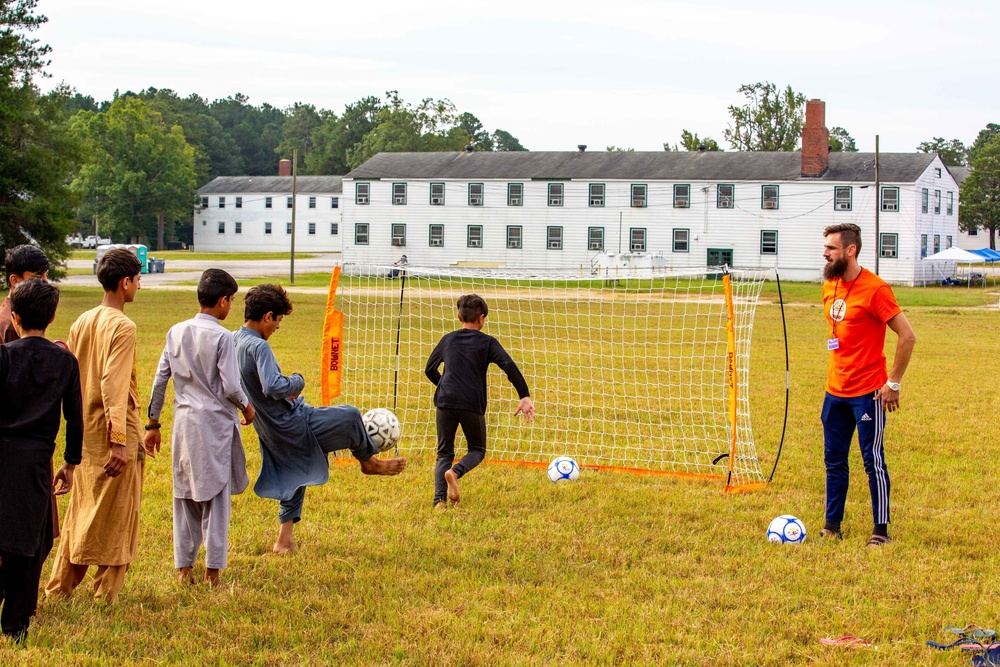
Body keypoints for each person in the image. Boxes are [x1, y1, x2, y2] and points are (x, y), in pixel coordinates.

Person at [233, 284, 406, 554]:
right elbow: (273, 387)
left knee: (295, 474)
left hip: (270, 431)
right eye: (278, 320)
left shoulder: (234, 341)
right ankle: (369, 462)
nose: (278, 327)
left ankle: (284, 541)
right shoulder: (259, 346)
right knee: (349, 415)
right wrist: (297, 382)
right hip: (294, 423)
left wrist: (245, 407)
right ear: (267, 316)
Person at [45, 249, 146, 603]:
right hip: (113, 431)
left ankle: (59, 587)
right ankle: (106, 593)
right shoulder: (123, 326)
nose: (139, 285)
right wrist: (119, 440)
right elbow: (113, 385)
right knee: (120, 513)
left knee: (83, 509)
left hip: (86, 430)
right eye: (137, 279)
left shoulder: (82, 321)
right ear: (125, 282)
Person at [144, 269, 256, 587]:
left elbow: (160, 379)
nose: (230, 306)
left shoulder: (175, 332)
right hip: (215, 426)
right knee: (216, 499)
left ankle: (184, 569)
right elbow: (232, 385)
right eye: (231, 301)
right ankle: (213, 572)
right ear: (222, 301)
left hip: (184, 425)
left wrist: (153, 422)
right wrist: (247, 407)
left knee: (184, 496)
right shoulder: (222, 337)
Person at [820, 223, 915, 547]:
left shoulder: (876, 289)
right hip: (835, 391)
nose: (825, 253)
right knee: (834, 460)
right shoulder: (829, 285)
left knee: (872, 461)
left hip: (868, 393)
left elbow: (908, 335)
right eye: (826, 247)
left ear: (851, 250)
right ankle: (832, 526)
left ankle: (881, 531)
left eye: (831, 248)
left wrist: (894, 383)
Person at [0, 279, 82, 644]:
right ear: (51, 318)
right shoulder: (64, 360)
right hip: (36, 461)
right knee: (28, 546)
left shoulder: (4, 356)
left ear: (14, 319)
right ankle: (16, 625)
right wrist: (70, 462)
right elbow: (74, 419)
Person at [425, 294, 535, 508]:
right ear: (482, 318)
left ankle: (439, 501)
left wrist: (444, 386)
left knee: (444, 452)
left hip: (445, 402)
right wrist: (524, 395)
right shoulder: (488, 343)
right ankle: (455, 473)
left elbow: (429, 369)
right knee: (477, 449)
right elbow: (509, 366)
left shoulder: (448, 339)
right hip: (470, 403)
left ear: (458, 317)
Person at [1, 245, 50, 344]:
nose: (46, 282)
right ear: (14, 280)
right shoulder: (13, 323)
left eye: (46, 275)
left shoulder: (22, 312)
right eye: (38, 277)